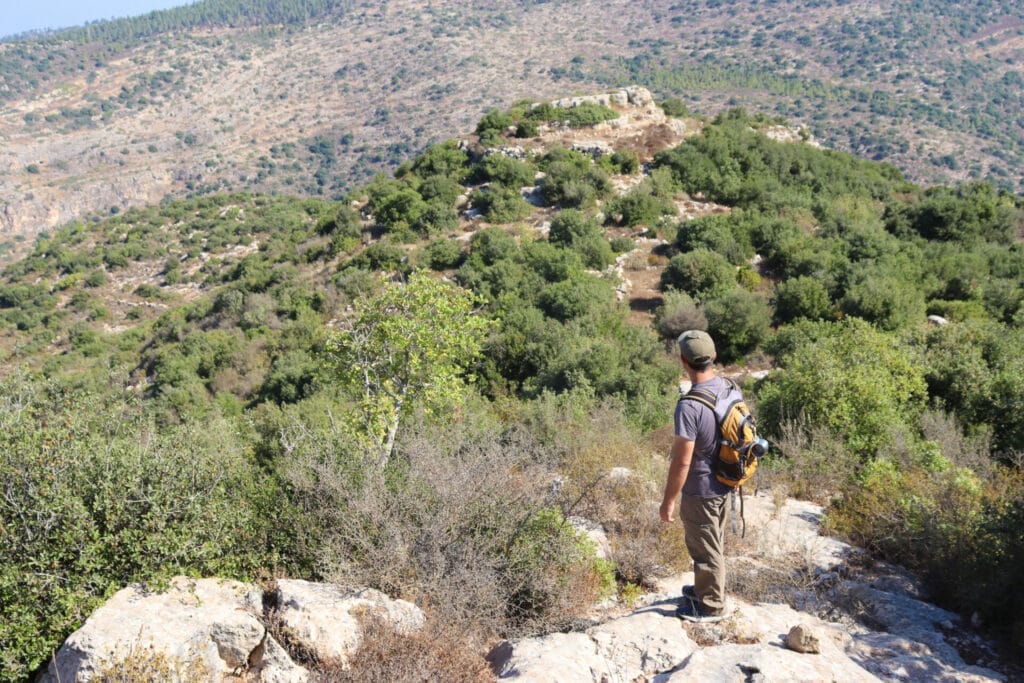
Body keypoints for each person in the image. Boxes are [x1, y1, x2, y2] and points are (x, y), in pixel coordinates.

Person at [659, 329, 733, 623]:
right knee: (712, 541)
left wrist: (668, 502)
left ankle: (711, 606)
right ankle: (705, 589)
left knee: (704, 548)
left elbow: (681, 463)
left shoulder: (689, 406)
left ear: (683, 361)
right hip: (725, 482)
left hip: (701, 489)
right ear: (713, 357)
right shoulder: (728, 388)